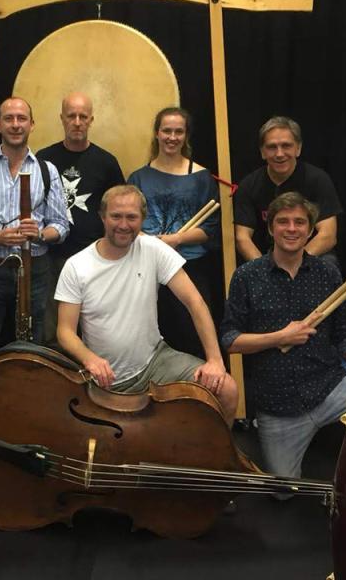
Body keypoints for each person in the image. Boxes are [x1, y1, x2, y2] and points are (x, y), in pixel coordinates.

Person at [221, 192, 346, 480]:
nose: (292, 229)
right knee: (285, 490)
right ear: (270, 228)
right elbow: (230, 341)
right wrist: (279, 337)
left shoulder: (327, 274)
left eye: (299, 222)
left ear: (310, 230)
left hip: (330, 388)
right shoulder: (247, 276)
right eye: (283, 222)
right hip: (278, 403)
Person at [55, 185, 238, 425]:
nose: (123, 224)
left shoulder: (153, 249)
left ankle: (215, 460)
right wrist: (90, 359)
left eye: (131, 217)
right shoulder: (77, 266)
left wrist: (215, 360)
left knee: (227, 389)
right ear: (102, 217)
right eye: (116, 216)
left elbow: (195, 303)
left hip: (155, 362)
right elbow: (65, 331)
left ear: (142, 219)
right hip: (104, 379)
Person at [0, 96, 69, 346]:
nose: (16, 124)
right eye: (9, 118)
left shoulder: (47, 170)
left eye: (22, 118)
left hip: (34, 270)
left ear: (32, 124)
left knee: (33, 342)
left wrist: (40, 234)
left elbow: (61, 226)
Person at [127, 107, 220, 360]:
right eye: (166, 130)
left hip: (191, 267)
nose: (172, 137)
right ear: (157, 133)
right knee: (153, 338)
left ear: (186, 135)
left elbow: (210, 229)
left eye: (178, 131)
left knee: (192, 337)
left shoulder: (202, 177)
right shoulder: (138, 178)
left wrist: (176, 239)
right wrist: (155, 243)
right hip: (148, 270)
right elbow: (128, 226)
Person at [37, 92, 124, 347]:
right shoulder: (44, 158)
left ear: (91, 120)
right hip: (52, 258)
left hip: (95, 259)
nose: (77, 121)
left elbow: (118, 206)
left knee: (97, 326)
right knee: (53, 331)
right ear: (62, 119)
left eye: (82, 116)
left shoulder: (107, 162)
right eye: (71, 116)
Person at [233, 116, 342, 269]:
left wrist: (295, 263)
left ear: (298, 148)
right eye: (272, 147)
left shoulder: (318, 180)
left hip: (310, 255)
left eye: (286, 146)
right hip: (267, 257)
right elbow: (242, 238)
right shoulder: (248, 185)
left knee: (329, 264)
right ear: (262, 152)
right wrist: (266, 270)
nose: (279, 154)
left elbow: (328, 235)